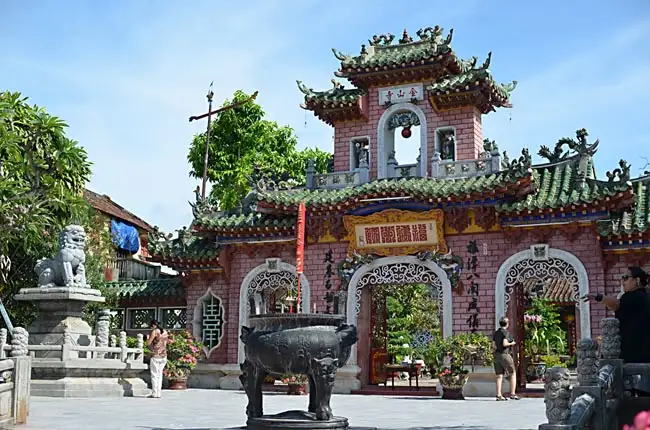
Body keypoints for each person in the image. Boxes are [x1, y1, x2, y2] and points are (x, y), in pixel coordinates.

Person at [582, 266, 650, 395]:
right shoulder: (644, 295)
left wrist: (598, 297)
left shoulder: (636, 297)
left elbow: (618, 304)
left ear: (636, 280)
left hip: (637, 351)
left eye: (625, 278)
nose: (622, 281)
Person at [493, 317, 520, 401]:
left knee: (499, 375)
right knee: (512, 373)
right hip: (505, 354)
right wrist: (512, 343)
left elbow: (493, 345)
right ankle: (512, 393)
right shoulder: (506, 332)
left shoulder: (496, 333)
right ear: (507, 323)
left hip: (496, 355)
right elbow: (505, 344)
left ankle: (499, 395)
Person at [146, 319, 170, 399]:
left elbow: (148, 343)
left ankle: (154, 393)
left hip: (156, 355)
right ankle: (159, 393)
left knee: (154, 375)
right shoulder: (165, 332)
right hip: (163, 355)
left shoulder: (155, 332)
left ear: (153, 325)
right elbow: (166, 343)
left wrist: (147, 338)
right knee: (160, 375)